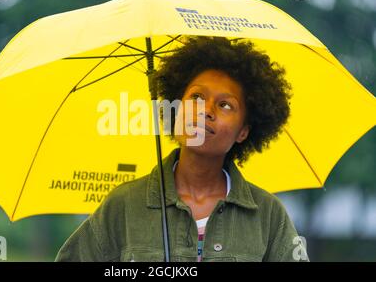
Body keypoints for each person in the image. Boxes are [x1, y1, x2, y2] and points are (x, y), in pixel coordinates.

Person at [55, 36, 308, 262]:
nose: (205, 111)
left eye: (225, 105)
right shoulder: (123, 206)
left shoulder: (268, 216)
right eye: (196, 97)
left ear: (244, 131)